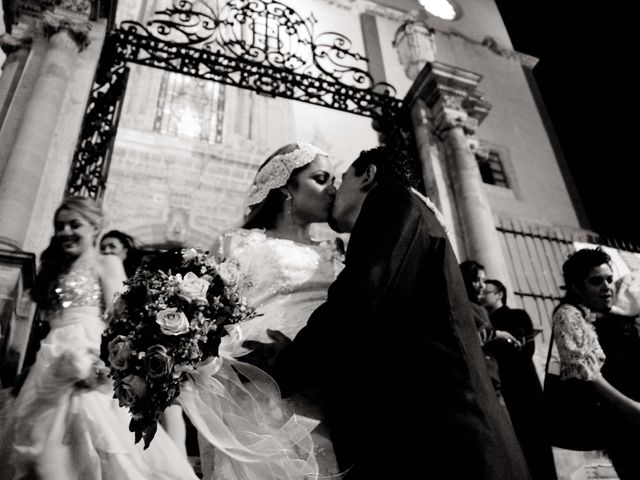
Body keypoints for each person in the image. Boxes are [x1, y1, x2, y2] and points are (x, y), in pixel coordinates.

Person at [243, 146, 533, 479]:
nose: (334, 190)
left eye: (342, 178)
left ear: (367, 175)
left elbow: (359, 299)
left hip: (452, 436)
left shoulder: (391, 201)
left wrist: (286, 364)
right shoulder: (412, 215)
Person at [0, 196, 198, 479]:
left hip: (90, 352)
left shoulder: (106, 263)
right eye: (60, 226)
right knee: (41, 441)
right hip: (50, 359)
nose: (65, 232)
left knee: (89, 433)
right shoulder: (56, 271)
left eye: (74, 224)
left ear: (95, 227)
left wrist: (108, 360)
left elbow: (120, 320)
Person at [201, 142, 342, 478]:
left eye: (334, 180)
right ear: (286, 189)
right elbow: (210, 315)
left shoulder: (335, 253)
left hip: (325, 382)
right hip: (260, 388)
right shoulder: (241, 243)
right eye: (321, 179)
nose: (332, 189)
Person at [553, 248, 640, 479]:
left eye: (609, 279)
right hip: (623, 423)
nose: (607, 287)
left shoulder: (606, 313)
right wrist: (634, 410)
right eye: (596, 281)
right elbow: (587, 376)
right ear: (576, 287)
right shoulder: (568, 315)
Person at [483, 278, 558, 480]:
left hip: (525, 391)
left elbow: (524, 348)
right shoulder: (485, 323)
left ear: (499, 293)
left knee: (537, 452)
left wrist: (495, 344)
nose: (481, 293)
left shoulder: (516, 316)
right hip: (505, 393)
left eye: (486, 291)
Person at [459, 259, 519, 406]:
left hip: (492, 377)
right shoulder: (463, 306)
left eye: (483, 280)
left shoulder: (480, 309)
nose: (482, 286)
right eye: (476, 280)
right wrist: (497, 335)